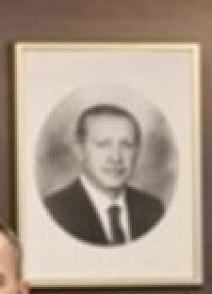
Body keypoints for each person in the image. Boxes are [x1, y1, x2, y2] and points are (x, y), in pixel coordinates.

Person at [43, 103, 165, 246]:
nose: (116, 157)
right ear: (79, 150)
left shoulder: (153, 210)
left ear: (137, 151)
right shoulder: (55, 212)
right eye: (103, 144)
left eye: (127, 144)